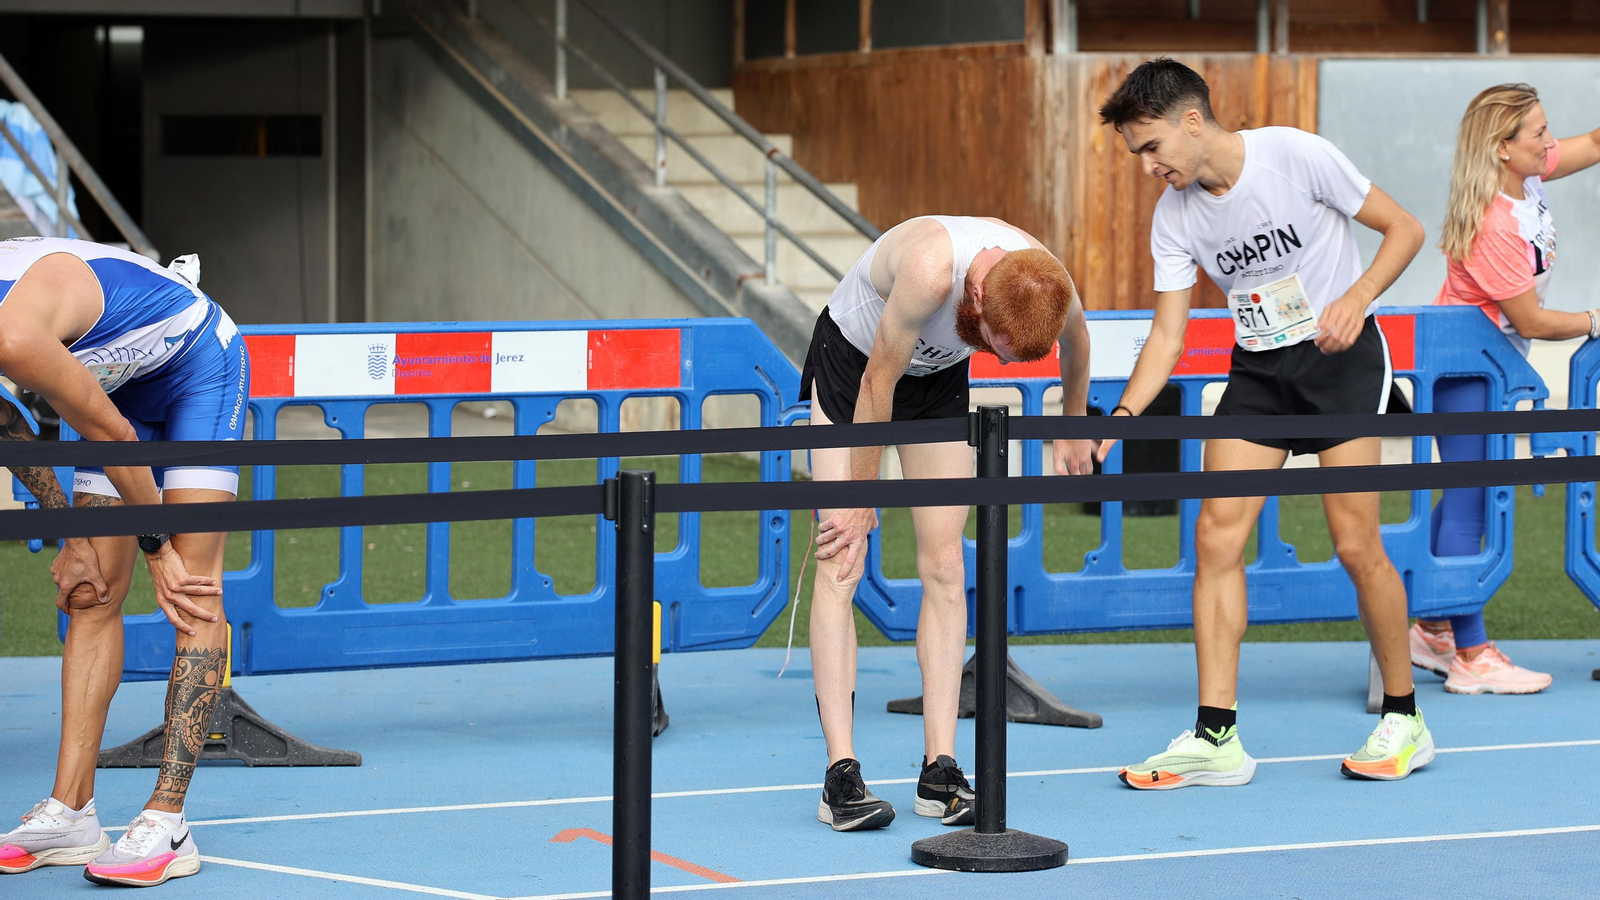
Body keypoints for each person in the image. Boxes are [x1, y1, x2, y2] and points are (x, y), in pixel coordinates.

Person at [1095, 59, 1431, 789]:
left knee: (1355, 542)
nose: (1147, 166)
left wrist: (1359, 297)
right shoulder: (1175, 216)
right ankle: (1217, 735)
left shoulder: (1294, 155)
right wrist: (1121, 415)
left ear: (1191, 121)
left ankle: (1406, 718)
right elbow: (1166, 337)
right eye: (1136, 156)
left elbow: (1404, 228)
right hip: (1258, 372)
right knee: (1216, 534)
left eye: (1150, 147)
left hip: (1340, 362)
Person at [803, 215, 1093, 829]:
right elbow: (878, 382)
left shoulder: (1045, 277)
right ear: (979, 297)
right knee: (841, 557)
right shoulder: (932, 270)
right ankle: (841, 778)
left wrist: (1072, 419)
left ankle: (940, 772)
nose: (995, 358)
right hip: (856, 366)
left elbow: (1081, 339)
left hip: (934, 381)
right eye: (992, 345)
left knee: (945, 562)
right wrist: (859, 499)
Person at [0, 237, 248, 887]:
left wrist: (158, 547)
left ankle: (168, 820)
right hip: (117, 385)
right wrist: (69, 532)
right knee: (90, 591)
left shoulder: (15, 331)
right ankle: (71, 814)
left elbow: (116, 439)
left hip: (197, 365)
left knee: (190, 586)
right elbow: (6, 424)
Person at [1412, 84, 1600, 694]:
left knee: (1464, 497)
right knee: (1472, 507)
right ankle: (1470, 655)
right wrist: (1596, 320)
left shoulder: (1529, 175)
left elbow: (1594, 142)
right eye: (1538, 134)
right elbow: (1534, 323)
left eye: (1548, 129)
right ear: (1501, 149)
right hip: (1462, 374)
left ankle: (1434, 625)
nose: (1550, 142)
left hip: (1485, 366)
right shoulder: (1492, 223)